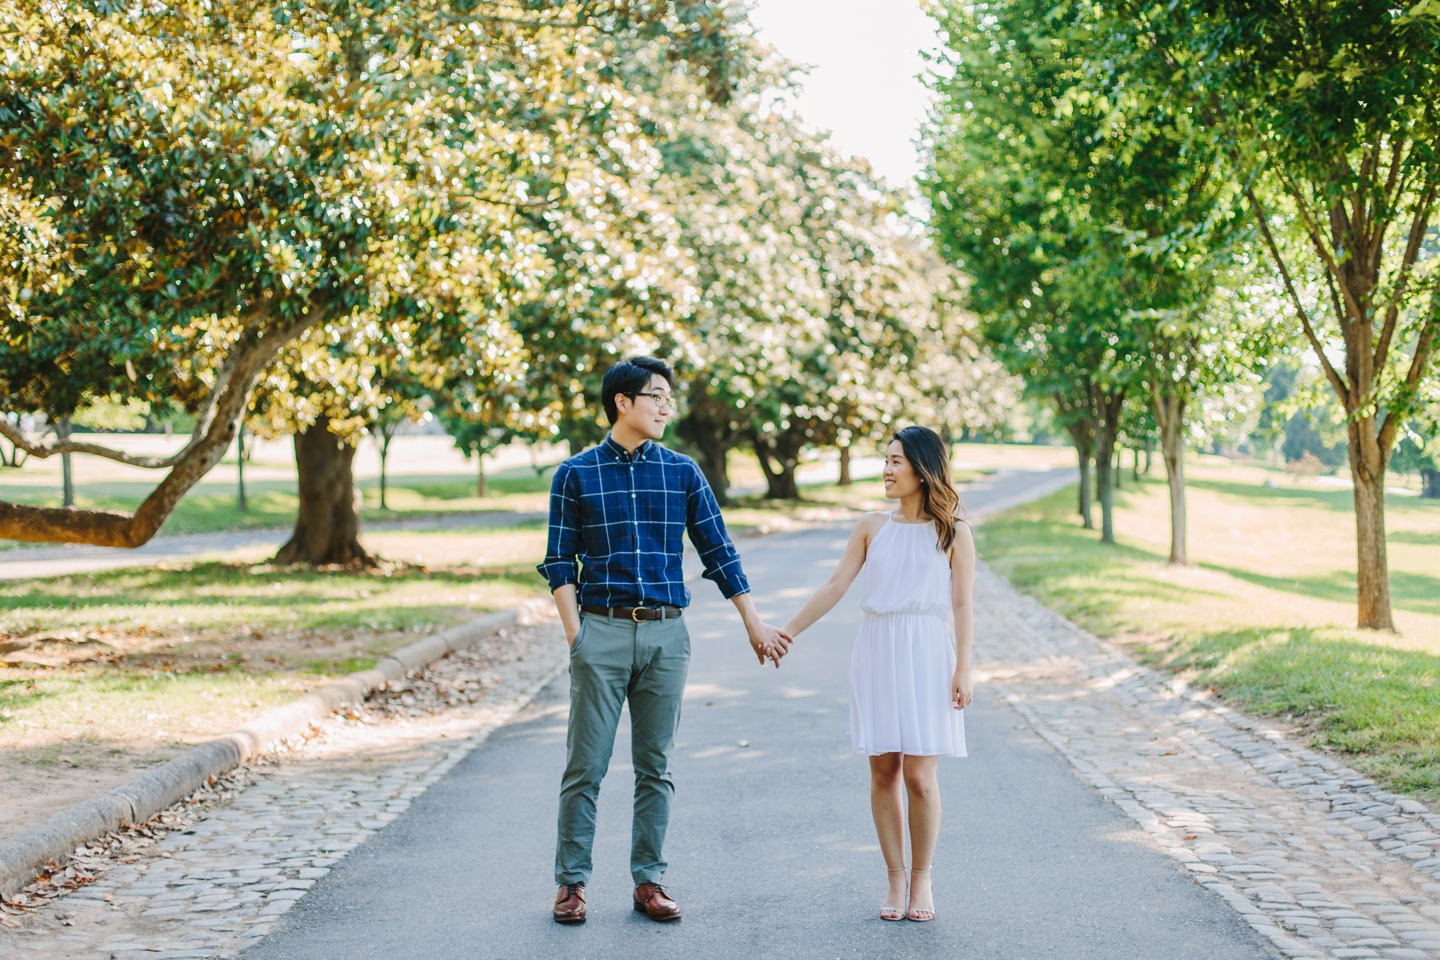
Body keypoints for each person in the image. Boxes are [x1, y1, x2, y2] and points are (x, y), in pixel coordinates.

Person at [537, 355, 792, 925]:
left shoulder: (682, 472)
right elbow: (558, 562)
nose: (666, 407)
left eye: (667, 397)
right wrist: (577, 636)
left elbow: (718, 550)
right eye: (656, 396)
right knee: (587, 766)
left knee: (657, 766)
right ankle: (571, 884)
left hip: (666, 635)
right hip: (600, 630)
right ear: (622, 403)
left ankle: (649, 880)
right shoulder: (574, 474)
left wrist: (753, 621)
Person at [781, 425, 974, 923]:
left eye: (896, 461)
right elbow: (835, 584)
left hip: (929, 652)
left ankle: (924, 877)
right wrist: (789, 631)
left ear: (923, 469)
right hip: (878, 649)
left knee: (921, 776)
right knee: (884, 769)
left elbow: (962, 605)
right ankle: (895, 877)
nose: (886, 470)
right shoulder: (870, 526)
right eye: (885, 460)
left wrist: (963, 669)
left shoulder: (953, 531)